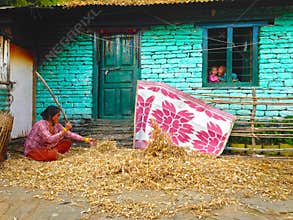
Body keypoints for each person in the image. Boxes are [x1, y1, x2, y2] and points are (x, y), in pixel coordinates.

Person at [24, 105, 95, 161]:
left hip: (47, 148)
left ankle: (52, 152)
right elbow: (49, 139)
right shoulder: (41, 125)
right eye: (57, 115)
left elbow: (70, 134)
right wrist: (64, 130)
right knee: (52, 155)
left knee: (67, 143)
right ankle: (50, 154)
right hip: (34, 149)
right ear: (50, 116)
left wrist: (86, 139)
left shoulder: (56, 125)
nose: (59, 117)